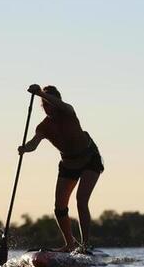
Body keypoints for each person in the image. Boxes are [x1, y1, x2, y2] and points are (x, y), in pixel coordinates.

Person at [18, 84, 104, 253]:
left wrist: (41, 93)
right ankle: (69, 244)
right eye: (45, 105)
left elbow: (59, 104)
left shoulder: (68, 111)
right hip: (68, 164)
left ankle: (85, 246)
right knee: (59, 207)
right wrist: (24, 149)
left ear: (57, 101)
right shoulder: (43, 127)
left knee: (81, 200)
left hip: (89, 159)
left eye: (50, 103)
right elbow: (33, 143)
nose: (48, 108)